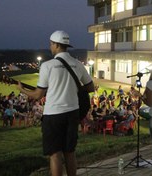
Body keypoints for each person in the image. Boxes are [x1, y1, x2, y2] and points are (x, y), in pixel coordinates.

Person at [17, 30, 94, 176]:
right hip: (73, 113)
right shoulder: (78, 64)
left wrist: (22, 90)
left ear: (56, 45)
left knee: (55, 154)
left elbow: (38, 94)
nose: (50, 47)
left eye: (51, 44)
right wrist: (73, 89)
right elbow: (90, 87)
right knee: (70, 152)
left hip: (53, 115)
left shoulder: (47, 66)